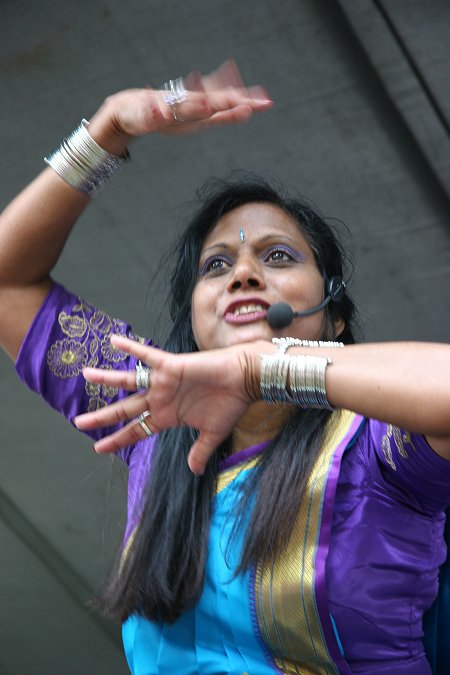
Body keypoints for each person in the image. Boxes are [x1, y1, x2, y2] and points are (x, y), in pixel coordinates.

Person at [0, 61, 449, 675]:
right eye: (215, 266)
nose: (242, 272)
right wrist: (105, 131)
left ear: (334, 320)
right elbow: (7, 282)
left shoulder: (375, 443)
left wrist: (260, 368)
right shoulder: (149, 423)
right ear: (193, 318)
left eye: (279, 255)